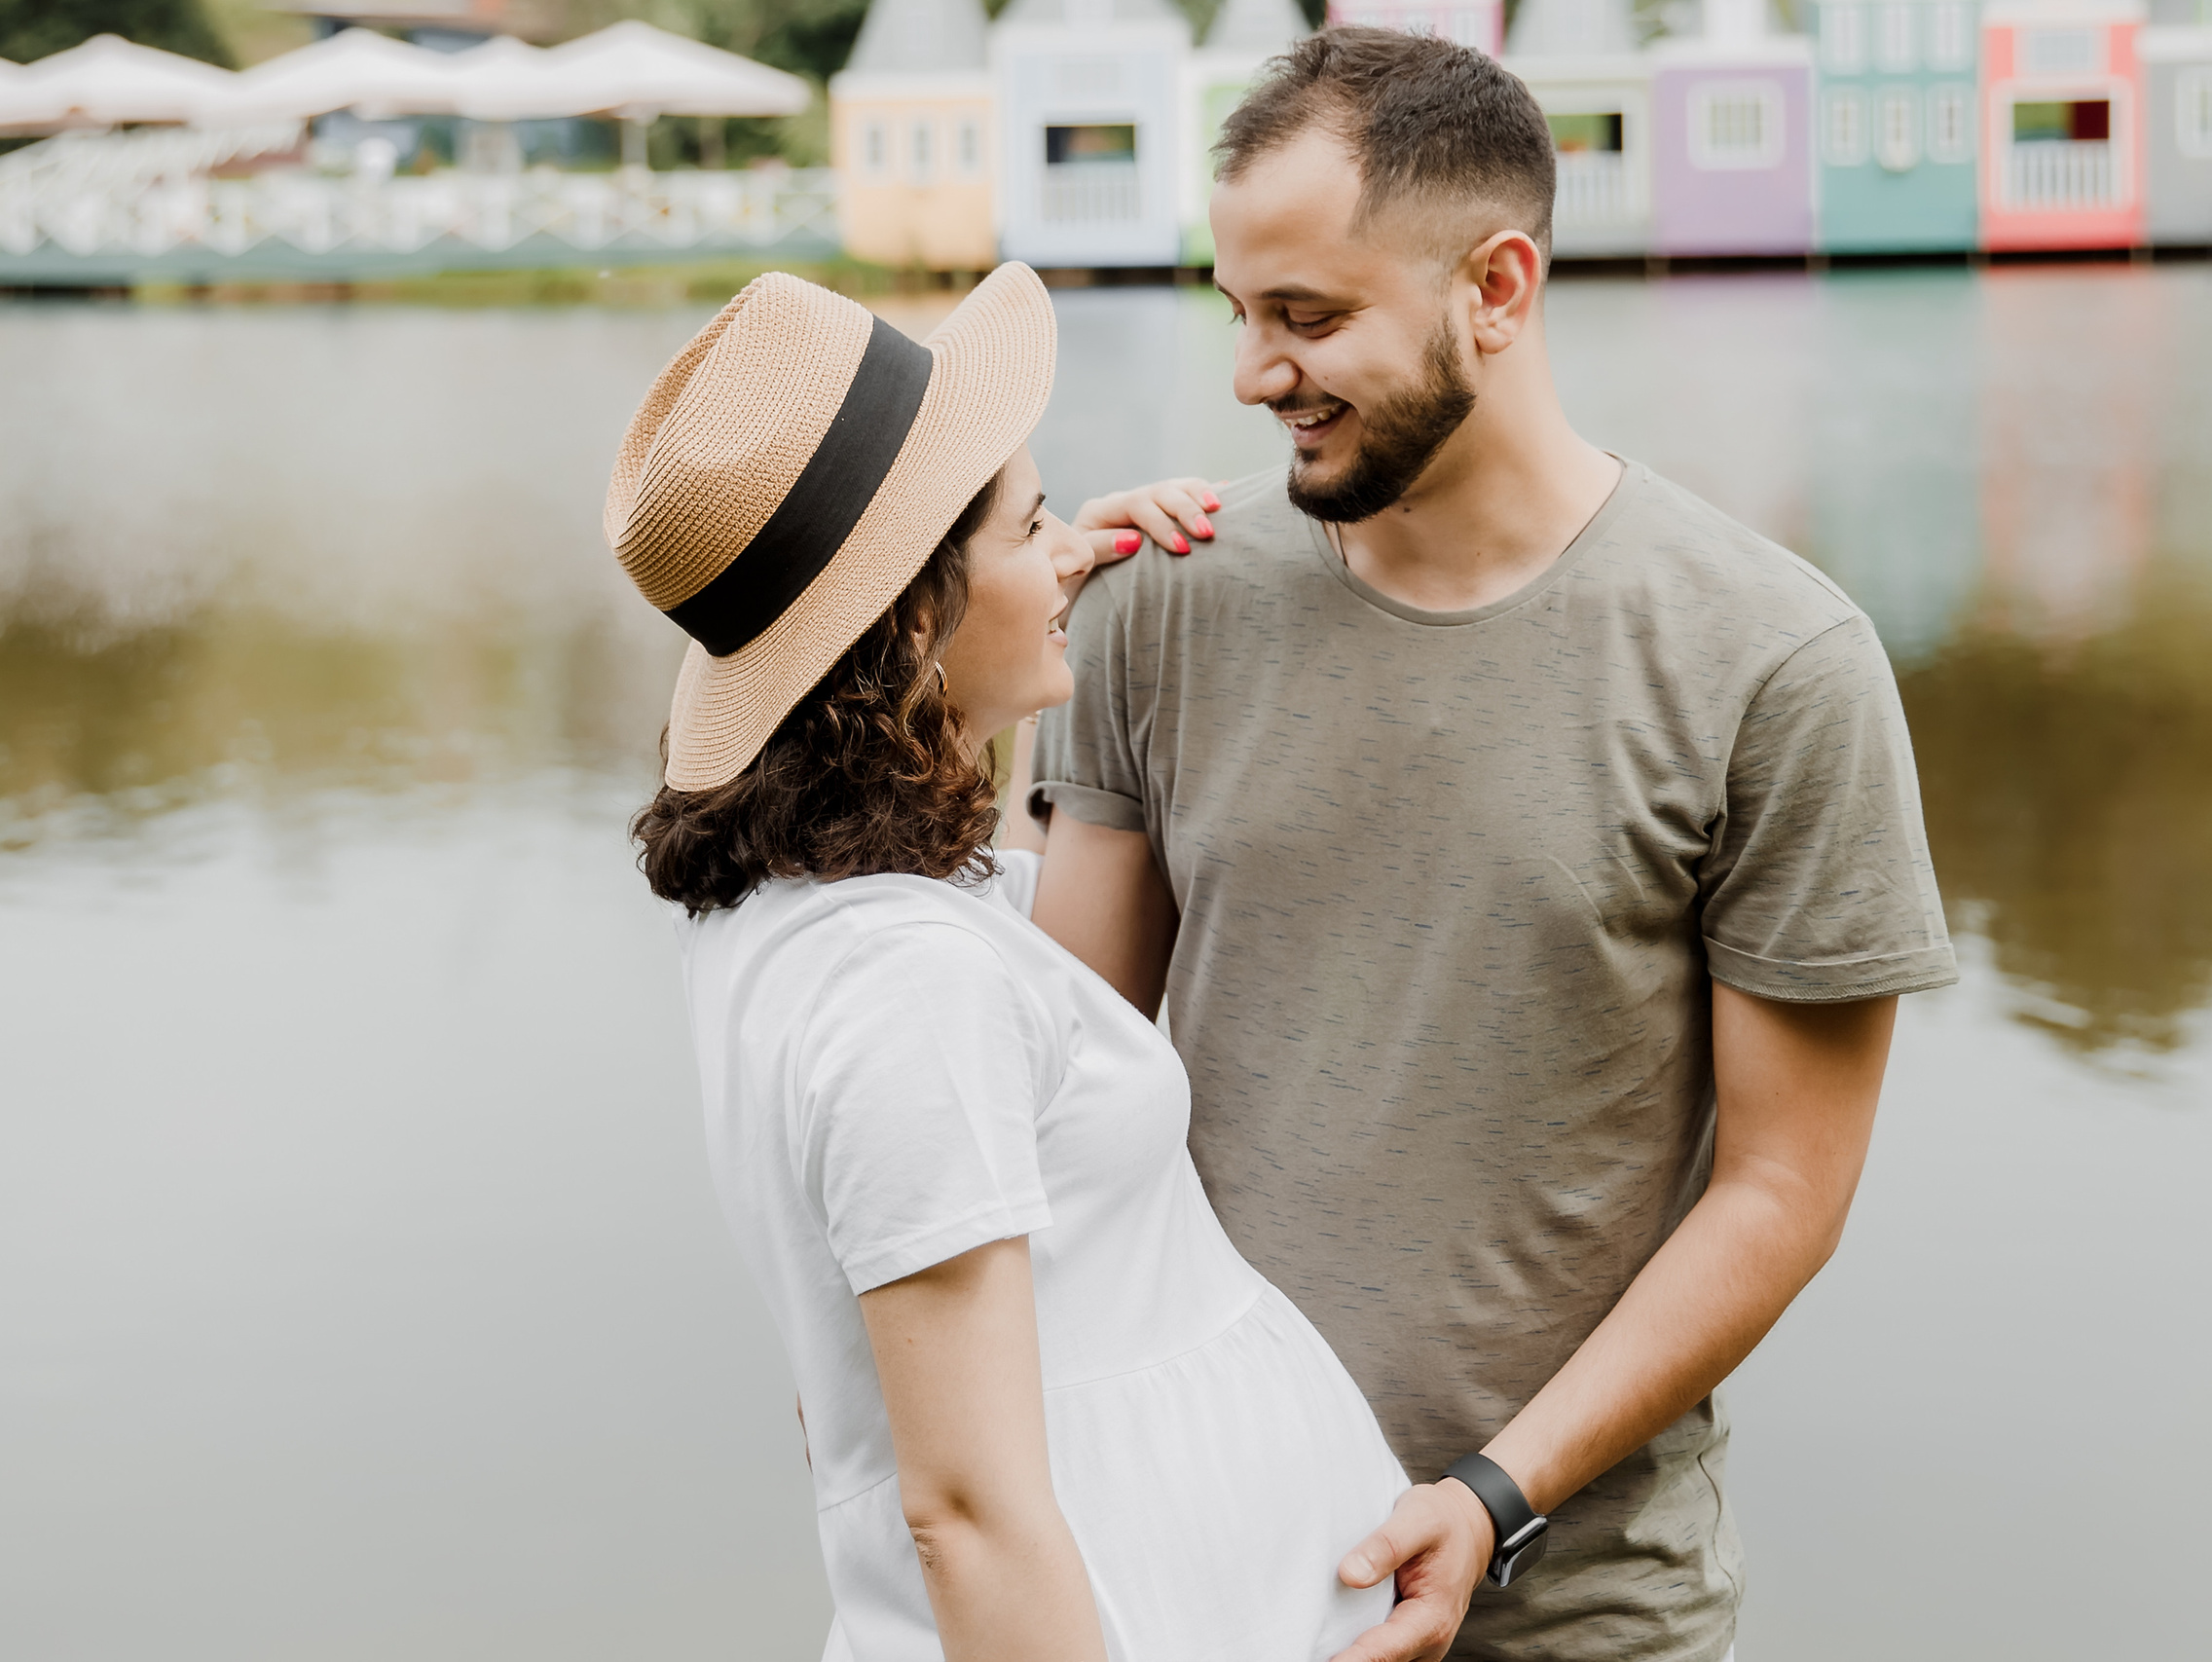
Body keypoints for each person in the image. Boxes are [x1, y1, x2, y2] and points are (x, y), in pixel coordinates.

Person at [1029, 28, 1959, 1662]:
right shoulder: (1153, 611)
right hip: (1200, 1581)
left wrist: (1492, 1493)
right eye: (1240, 314)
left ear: (1499, 288)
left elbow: (1779, 1191)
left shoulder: (1775, 663)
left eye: (1309, 318)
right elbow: (1053, 1101)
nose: (1254, 374)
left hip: (1578, 1606)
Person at [609, 261, 1409, 1662]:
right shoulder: (899, 989)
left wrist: (1041, 593)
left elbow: (994, 906)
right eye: (1030, 522)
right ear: (917, 613)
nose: (1064, 544)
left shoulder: (821, 903)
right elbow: (966, 1514)